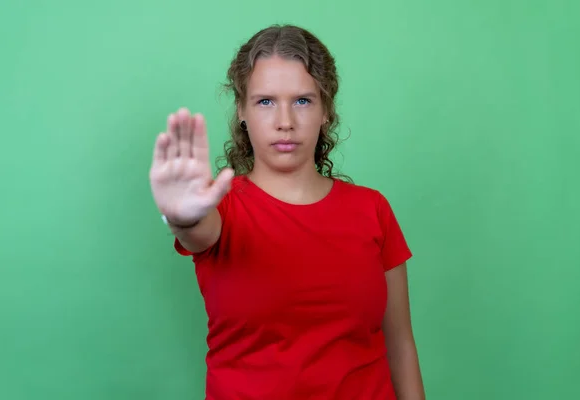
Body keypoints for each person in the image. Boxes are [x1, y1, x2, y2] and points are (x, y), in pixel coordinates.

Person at [149, 24, 425, 400]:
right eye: (265, 101)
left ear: (326, 110)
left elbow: (401, 345)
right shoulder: (222, 209)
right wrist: (181, 216)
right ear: (242, 111)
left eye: (302, 100)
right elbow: (197, 231)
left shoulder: (372, 208)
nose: (285, 121)